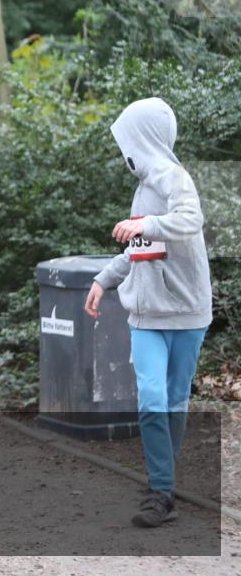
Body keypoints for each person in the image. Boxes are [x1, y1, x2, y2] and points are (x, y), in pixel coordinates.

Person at [84, 98, 212, 528]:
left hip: (188, 312)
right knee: (153, 397)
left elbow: (190, 218)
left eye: (127, 140)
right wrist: (104, 279)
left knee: (174, 400)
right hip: (147, 316)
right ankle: (161, 492)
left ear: (142, 138)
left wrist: (146, 223)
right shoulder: (142, 189)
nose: (124, 152)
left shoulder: (174, 177)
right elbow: (141, 248)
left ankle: (164, 485)